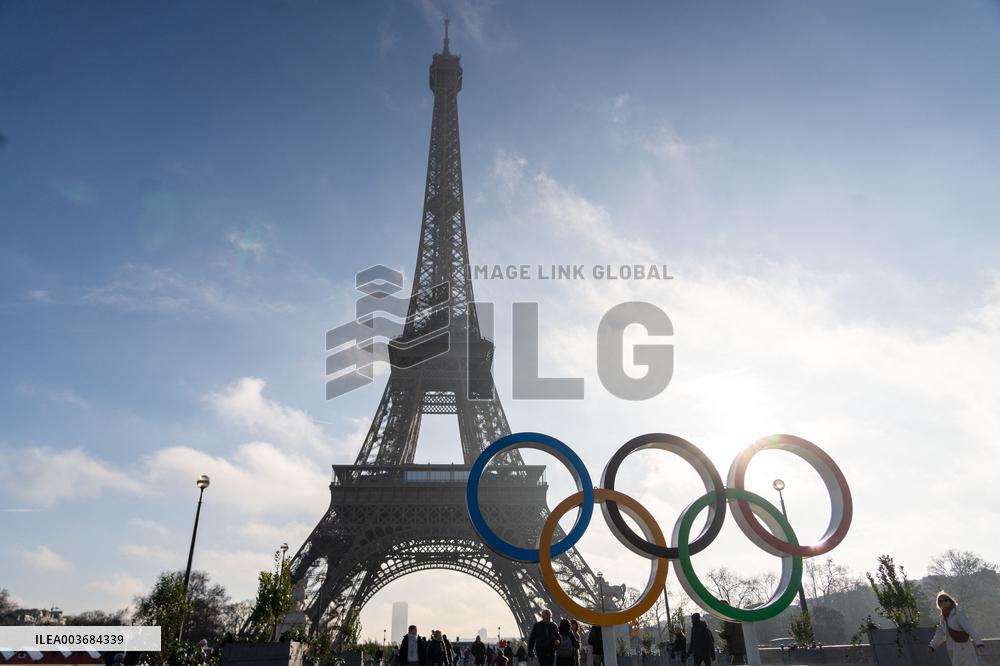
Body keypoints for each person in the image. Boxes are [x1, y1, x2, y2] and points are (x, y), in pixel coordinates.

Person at [928, 591, 985, 666]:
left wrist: (979, 643)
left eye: (945, 600)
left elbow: (970, 629)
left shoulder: (958, 614)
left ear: (950, 601)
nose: (943, 602)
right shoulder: (943, 619)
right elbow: (940, 634)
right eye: (941, 601)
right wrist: (932, 646)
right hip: (952, 649)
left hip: (964, 648)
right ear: (938, 604)